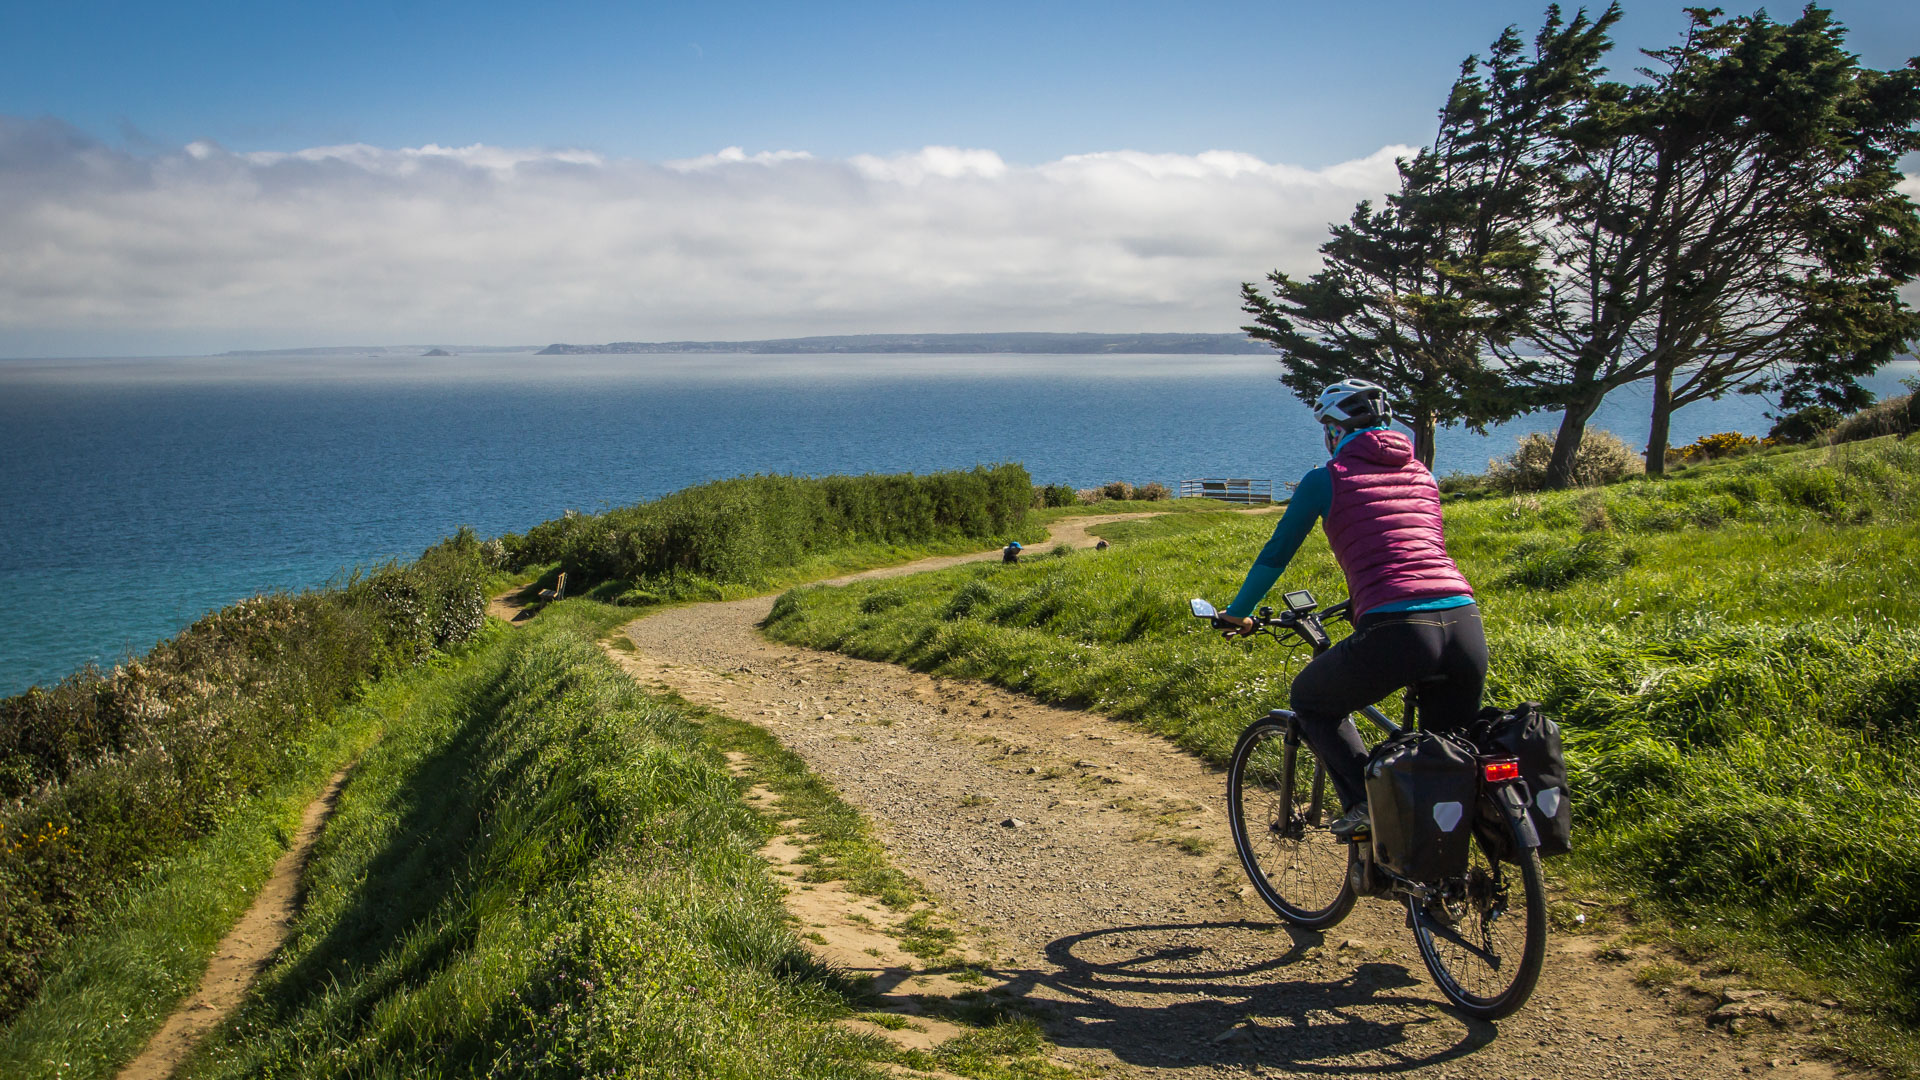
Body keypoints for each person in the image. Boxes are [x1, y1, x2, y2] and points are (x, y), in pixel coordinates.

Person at [1216, 378, 1485, 841]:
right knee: (1448, 764)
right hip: (1465, 623)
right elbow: (1415, 551)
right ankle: (1442, 878)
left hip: (1402, 629)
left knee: (1311, 699)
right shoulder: (1422, 475)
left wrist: (1239, 610)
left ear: (1334, 431)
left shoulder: (1327, 478)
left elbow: (1277, 554)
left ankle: (1366, 804)